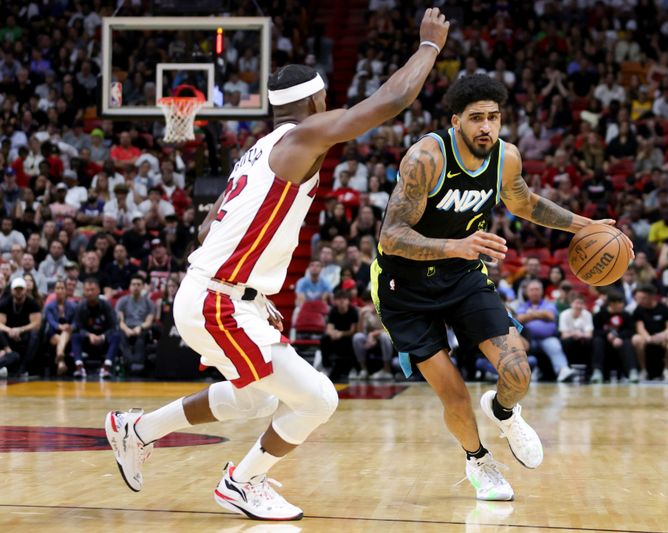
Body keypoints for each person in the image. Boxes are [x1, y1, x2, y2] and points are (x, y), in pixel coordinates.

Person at [104, 9, 450, 522]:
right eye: (326, 100)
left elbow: (207, 232)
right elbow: (390, 101)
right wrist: (429, 48)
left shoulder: (257, 150)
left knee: (253, 403)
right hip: (217, 303)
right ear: (313, 103)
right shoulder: (302, 138)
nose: (330, 107)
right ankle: (242, 483)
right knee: (317, 400)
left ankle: (136, 430)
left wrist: (254, 291)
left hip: (215, 294)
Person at [373, 73, 633, 501]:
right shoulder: (426, 158)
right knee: (453, 392)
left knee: (518, 370)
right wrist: (456, 245)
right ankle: (478, 461)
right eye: (477, 118)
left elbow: (525, 203)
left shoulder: (505, 158)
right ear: (456, 121)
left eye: (494, 117)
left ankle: (503, 411)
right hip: (405, 288)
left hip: (463, 276)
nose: (486, 128)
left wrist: (589, 226)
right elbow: (390, 236)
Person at [72, 278, 119, 379]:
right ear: (83, 291)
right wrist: (89, 335)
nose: (90, 293)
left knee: (116, 335)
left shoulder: (106, 305)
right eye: (87, 290)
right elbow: (78, 327)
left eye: (92, 290)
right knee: (75, 336)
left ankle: (107, 367)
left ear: (98, 291)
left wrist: (102, 336)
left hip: (103, 341)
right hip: (88, 341)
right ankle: (79, 367)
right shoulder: (80, 307)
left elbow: (113, 326)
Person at [591, 291, 637, 383]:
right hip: (605, 342)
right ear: (611, 304)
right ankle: (597, 371)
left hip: (620, 342)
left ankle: (632, 372)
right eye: (620, 303)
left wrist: (618, 337)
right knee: (597, 341)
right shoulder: (599, 315)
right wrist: (607, 334)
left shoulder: (626, 315)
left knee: (627, 342)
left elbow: (630, 331)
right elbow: (595, 331)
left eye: (622, 302)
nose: (622, 305)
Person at [632, 284, 668, 381]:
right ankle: (643, 370)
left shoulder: (664, 309)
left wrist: (661, 335)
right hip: (647, 337)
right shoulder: (638, 310)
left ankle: (666, 370)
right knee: (637, 339)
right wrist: (648, 338)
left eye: (643, 298)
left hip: (662, 336)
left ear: (652, 297)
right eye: (639, 298)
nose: (640, 301)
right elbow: (640, 327)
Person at [0, 277, 42, 378]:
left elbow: (36, 324)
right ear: (11, 290)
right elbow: (0, 323)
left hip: (25, 333)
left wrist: (20, 330)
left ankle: (23, 367)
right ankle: (8, 352)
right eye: (16, 289)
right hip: (9, 334)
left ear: (25, 290)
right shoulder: (5, 303)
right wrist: (10, 330)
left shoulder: (32, 303)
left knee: (35, 334)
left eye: (21, 289)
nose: (18, 292)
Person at [116, 275, 155, 375]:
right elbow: (120, 321)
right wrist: (126, 329)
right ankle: (129, 364)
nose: (136, 287)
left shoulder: (149, 302)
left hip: (141, 328)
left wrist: (140, 327)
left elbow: (149, 321)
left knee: (142, 337)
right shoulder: (122, 301)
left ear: (142, 287)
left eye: (138, 284)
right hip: (126, 328)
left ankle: (138, 365)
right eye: (133, 284)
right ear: (129, 286)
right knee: (120, 336)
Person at [43, 279, 76, 376]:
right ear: (54, 291)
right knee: (60, 336)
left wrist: (70, 326)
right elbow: (51, 321)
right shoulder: (49, 306)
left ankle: (60, 361)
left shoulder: (73, 306)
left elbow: (76, 322)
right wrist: (61, 326)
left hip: (68, 333)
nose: (60, 290)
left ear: (66, 290)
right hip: (53, 334)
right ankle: (61, 357)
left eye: (62, 288)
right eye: (57, 288)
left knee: (66, 333)